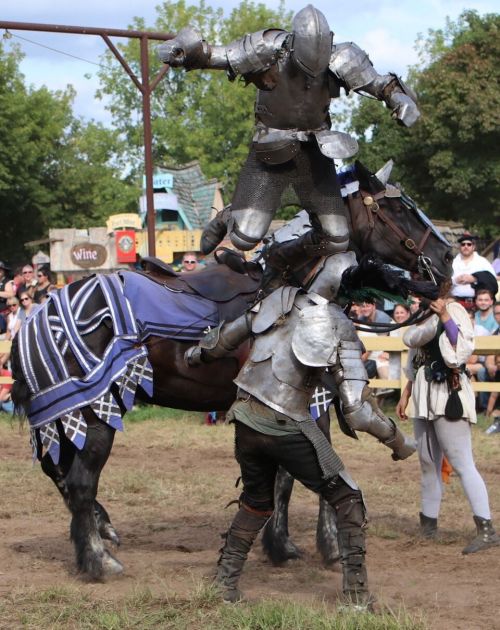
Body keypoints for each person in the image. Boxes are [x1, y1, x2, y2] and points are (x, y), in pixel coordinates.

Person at [185, 255, 416, 608]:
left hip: (245, 418)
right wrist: (398, 442)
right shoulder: (338, 325)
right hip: (284, 423)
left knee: (256, 502)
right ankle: (355, 599)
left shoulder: (278, 300)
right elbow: (357, 411)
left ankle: (224, 585)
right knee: (349, 499)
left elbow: (219, 342)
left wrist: (195, 355)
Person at [158, 4, 420, 306]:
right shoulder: (267, 47)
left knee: (336, 238)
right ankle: (231, 214)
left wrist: (397, 98)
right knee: (244, 238)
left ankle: (282, 256)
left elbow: (377, 83)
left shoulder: (343, 56)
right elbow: (220, 56)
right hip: (270, 151)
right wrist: (190, 53)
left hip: (315, 152)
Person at [396, 290, 500, 553]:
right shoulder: (424, 315)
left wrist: (444, 315)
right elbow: (416, 356)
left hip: (447, 392)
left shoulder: (453, 310)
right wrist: (406, 392)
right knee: (428, 462)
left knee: (463, 463)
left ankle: (486, 529)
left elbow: (460, 349)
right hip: (424, 393)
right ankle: (428, 526)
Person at [451, 233, 497, 309]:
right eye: (463, 244)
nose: (466, 246)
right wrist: (455, 280)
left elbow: (492, 280)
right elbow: (443, 283)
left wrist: (475, 279)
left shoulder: (482, 262)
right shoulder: (452, 262)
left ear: (473, 247)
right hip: (455, 303)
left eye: (469, 244)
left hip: (477, 305)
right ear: (459, 247)